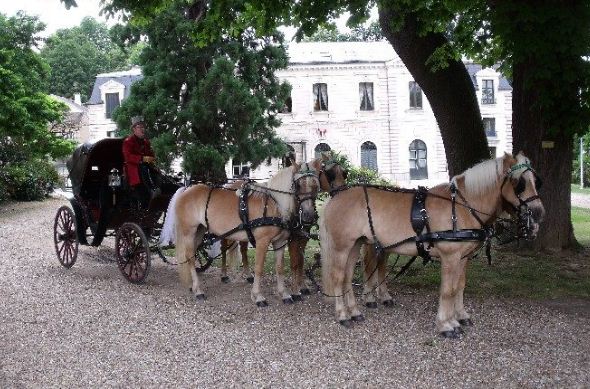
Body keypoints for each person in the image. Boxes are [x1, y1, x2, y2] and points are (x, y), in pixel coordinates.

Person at [122, 116, 156, 208]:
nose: (142, 129)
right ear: (134, 129)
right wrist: (142, 158)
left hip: (147, 173)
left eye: (143, 127)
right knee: (144, 197)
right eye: (140, 127)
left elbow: (151, 155)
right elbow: (128, 157)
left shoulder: (146, 142)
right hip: (135, 177)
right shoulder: (128, 142)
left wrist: (152, 158)